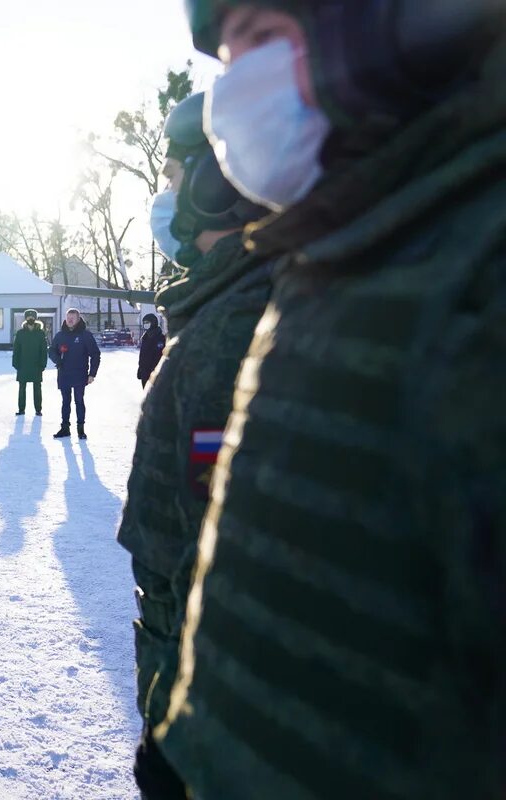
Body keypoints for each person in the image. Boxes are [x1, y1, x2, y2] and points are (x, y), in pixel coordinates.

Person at [155, 4, 506, 799]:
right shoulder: (354, 249)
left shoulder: (475, 276)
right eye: (226, 52)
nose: (241, 82)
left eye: (265, 33)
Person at [115, 90, 269, 799]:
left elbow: (221, 555)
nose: (166, 195)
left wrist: (185, 733)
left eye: (175, 177)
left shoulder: (236, 328)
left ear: (217, 183)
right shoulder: (223, 307)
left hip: (220, 711)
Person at [48, 309, 100, 440]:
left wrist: (92, 374)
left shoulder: (85, 335)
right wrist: (58, 360)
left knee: (79, 401)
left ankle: (80, 429)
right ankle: (65, 428)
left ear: (78, 319)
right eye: (68, 317)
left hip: (80, 374)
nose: (70, 320)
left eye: (73, 317)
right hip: (64, 374)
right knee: (65, 402)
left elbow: (95, 354)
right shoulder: (60, 335)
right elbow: (52, 351)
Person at [12, 308, 47, 416]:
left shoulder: (40, 333)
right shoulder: (20, 333)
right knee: (22, 388)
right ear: (25, 318)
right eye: (28, 316)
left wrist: (42, 364)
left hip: (36, 365)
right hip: (23, 365)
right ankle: (21, 410)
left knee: (37, 388)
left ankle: (38, 410)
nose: (30, 318)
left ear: (35, 319)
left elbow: (44, 350)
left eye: (32, 316)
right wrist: (15, 363)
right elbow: (16, 349)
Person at [136, 313, 166, 387]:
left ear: (153, 322)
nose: (145, 324)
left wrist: (155, 370)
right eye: (144, 323)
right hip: (145, 372)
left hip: (155, 373)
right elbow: (143, 355)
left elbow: (160, 355)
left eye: (147, 322)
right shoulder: (145, 337)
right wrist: (140, 368)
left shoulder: (160, 337)